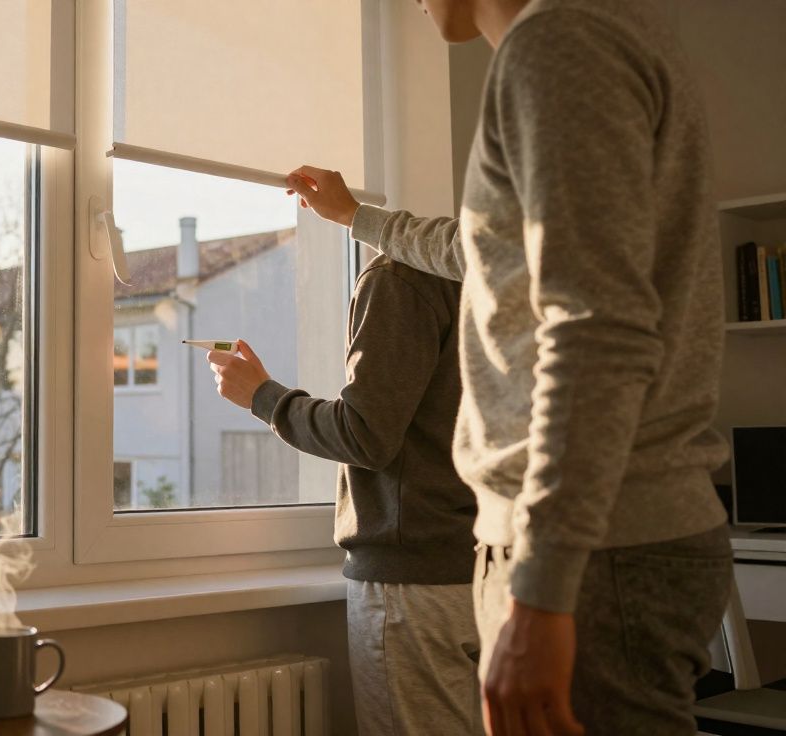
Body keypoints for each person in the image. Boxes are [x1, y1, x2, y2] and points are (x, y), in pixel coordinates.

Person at [281, 0, 734, 734]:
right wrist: (357, 218)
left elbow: (595, 331)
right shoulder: (597, 36)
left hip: (594, 554)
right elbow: (485, 253)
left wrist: (542, 590)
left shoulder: (559, 43)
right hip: (604, 544)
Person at [207, 254, 481, 735]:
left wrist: (262, 396)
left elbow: (364, 435)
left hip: (415, 584)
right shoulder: (502, 268)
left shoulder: (402, 277)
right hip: (492, 569)